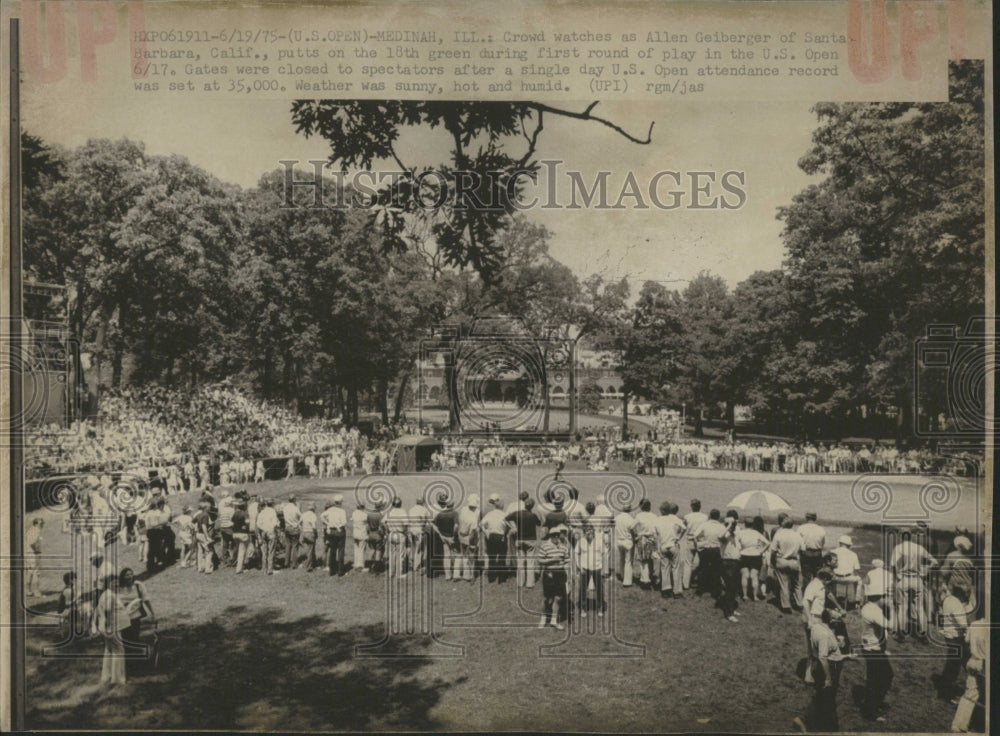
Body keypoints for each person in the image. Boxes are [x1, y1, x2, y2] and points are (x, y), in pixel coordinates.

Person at [891, 527, 937, 641]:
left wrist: (896, 577)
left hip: (904, 579)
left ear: (901, 536)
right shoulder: (919, 548)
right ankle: (924, 633)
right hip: (917, 579)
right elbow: (934, 561)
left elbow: (893, 565)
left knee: (903, 606)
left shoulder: (899, 548)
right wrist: (924, 571)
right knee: (920, 607)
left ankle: (901, 633)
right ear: (910, 536)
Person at [858, 579, 893, 722]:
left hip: (872, 647)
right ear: (880, 597)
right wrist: (895, 609)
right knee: (879, 678)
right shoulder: (874, 611)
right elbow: (892, 626)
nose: (888, 599)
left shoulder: (869, 607)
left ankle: (874, 704)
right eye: (886, 596)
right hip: (873, 649)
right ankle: (870, 711)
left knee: (883, 676)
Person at [951, 615, 987, 732]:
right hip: (984, 664)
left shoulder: (975, 624)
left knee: (969, 694)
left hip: (972, 660)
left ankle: (958, 724)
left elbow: (966, 640)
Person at [935, 583, 970, 701]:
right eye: (966, 592)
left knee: (956, 663)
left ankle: (946, 689)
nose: (968, 594)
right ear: (960, 593)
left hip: (951, 636)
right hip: (955, 637)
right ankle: (946, 693)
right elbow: (962, 624)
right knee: (953, 665)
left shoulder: (948, 600)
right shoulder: (955, 604)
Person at [116, 568, 153, 674]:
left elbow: (146, 599)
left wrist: (152, 613)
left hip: (135, 617)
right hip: (122, 618)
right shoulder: (118, 588)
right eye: (127, 575)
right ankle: (128, 666)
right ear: (122, 577)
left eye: (131, 574)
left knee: (135, 640)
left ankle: (137, 666)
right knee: (125, 641)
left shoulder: (138, 585)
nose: (129, 576)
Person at [94, 573, 128, 686]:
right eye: (113, 582)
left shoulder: (107, 594)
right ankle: (118, 679)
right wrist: (109, 626)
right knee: (118, 651)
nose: (116, 583)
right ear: (108, 583)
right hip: (112, 627)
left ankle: (107, 676)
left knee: (109, 650)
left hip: (107, 626)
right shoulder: (110, 595)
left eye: (117, 581)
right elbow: (108, 611)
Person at [537, 524, 570, 629]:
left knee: (558, 598)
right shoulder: (545, 546)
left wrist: (567, 572)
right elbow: (540, 560)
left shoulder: (563, 547)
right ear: (550, 536)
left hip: (560, 573)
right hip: (549, 573)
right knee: (547, 598)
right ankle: (543, 619)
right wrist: (551, 560)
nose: (556, 537)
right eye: (553, 535)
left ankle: (553, 620)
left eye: (557, 535)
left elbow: (567, 560)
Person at [654, 501, 685, 599]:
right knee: (676, 568)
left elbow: (655, 533)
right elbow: (684, 527)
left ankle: (665, 590)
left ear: (661, 511)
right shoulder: (674, 519)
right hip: (673, 544)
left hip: (663, 546)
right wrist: (678, 537)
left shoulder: (658, 520)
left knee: (664, 568)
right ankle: (677, 591)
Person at [693, 509, 726, 601]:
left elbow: (695, 536)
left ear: (710, 515)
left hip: (706, 549)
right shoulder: (721, 527)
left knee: (703, 569)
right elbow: (724, 538)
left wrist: (699, 545)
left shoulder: (704, 525)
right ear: (718, 517)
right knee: (716, 571)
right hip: (716, 549)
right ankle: (715, 592)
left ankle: (700, 590)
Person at [772, 516, 804, 612]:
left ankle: (786, 606)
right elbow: (802, 549)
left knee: (784, 584)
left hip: (782, 560)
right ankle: (799, 604)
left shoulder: (778, 535)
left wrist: (772, 561)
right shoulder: (797, 535)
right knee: (797, 584)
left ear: (782, 524)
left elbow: (773, 550)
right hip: (794, 560)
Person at [576, 522, 608, 618]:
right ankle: (583, 608)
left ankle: (600, 608)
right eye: (586, 531)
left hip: (597, 568)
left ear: (593, 531)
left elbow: (604, 555)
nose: (588, 532)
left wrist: (603, 569)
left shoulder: (599, 541)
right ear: (584, 532)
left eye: (590, 530)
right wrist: (579, 567)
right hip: (585, 569)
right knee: (582, 589)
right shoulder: (581, 541)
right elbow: (576, 553)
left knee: (599, 589)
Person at [507, 497, 540, 588]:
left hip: (519, 539)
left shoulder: (517, 514)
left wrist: (513, 527)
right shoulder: (533, 515)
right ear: (532, 506)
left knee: (520, 561)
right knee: (530, 562)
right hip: (531, 540)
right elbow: (539, 523)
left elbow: (506, 518)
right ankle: (530, 583)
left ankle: (520, 582)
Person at [737, 515, 769, 601]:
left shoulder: (740, 533)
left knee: (745, 575)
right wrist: (761, 551)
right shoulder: (756, 533)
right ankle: (755, 596)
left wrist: (740, 550)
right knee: (754, 576)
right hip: (755, 555)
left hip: (744, 555)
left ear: (745, 524)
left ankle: (744, 595)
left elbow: (737, 543)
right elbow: (767, 543)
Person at [719, 510, 742, 621]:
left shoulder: (737, 531)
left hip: (736, 561)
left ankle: (732, 608)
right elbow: (720, 536)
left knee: (735, 588)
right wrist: (728, 526)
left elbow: (739, 543)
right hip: (727, 562)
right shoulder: (724, 531)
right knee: (729, 587)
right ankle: (728, 613)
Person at [481, 494, 510, 583]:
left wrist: (486, 532)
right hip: (501, 536)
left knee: (491, 557)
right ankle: (501, 578)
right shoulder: (505, 515)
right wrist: (506, 532)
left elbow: (481, 524)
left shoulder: (489, 514)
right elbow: (510, 526)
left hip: (491, 536)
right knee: (502, 557)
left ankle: (491, 577)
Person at [680, 498, 707, 591]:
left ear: (691, 506)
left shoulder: (687, 516)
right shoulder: (705, 517)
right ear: (700, 506)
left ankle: (686, 584)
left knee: (688, 563)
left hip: (690, 540)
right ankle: (702, 583)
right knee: (703, 563)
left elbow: (682, 528)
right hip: (701, 540)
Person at [633, 499, 659, 588]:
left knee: (643, 560)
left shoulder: (639, 516)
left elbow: (632, 527)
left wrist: (636, 535)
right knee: (650, 559)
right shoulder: (654, 516)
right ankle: (651, 576)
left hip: (642, 539)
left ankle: (645, 580)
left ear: (641, 506)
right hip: (652, 539)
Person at [433, 496, 459, 580]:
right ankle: (455, 574)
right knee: (455, 555)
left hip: (443, 537)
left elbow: (433, 524)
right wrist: (454, 536)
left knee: (446, 556)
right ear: (452, 505)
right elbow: (456, 526)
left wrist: (439, 534)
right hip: (451, 536)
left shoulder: (440, 514)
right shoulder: (454, 513)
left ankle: (448, 575)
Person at [321, 495, 348, 576]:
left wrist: (328, 523)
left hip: (332, 531)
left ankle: (332, 570)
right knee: (341, 550)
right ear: (340, 502)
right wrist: (338, 526)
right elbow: (344, 522)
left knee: (332, 550)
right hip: (340, 531)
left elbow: (322, 516)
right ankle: (340, 570)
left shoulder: (330, 510)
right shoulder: (342, 511)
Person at [831, 535, 862, 606]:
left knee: (829, 580)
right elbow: (857, 569)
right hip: (848, 578)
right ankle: (856, 601)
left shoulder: (833, 551)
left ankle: (831, 600)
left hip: (835, 577)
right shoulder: (853, 554)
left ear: (840, 543)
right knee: (859, 581)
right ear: (849, 545)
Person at [798, 512, 826, 587]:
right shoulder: (821, 529)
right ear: (815, 518)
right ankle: (816, 594)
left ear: (806, 518)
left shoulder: (801, 528)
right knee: (817, 576)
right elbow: (822, 543)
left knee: (806, 576)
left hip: (805, 553)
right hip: (817, 553)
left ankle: (806, 594)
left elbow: (798, 542)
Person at [456, 495, 480, 582]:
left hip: (461, 535)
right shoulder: (474, 517)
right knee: (471, 557)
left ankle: (463, 574)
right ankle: (470, 575)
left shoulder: (463, 510)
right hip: (470, 537)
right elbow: (473, 532)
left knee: (464, 555)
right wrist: (471, 542)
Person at [384, 497, 410, 578]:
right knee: (400, 554)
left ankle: (391, 572)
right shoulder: (402, 512)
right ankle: (399, 573)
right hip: (400, 534)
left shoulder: (390, 512)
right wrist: (405, 532)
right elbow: (406, 524)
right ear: (400, 504)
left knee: (392, 554)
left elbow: (383, 522)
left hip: (391, 534)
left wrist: (387, 530)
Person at [614, 502, 637, 587]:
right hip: (627, 541)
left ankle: (622, 575)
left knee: (621, 559)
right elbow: (632, 530)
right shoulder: (630, 519)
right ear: (630, 509)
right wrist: (635, 539)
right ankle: (627, 581)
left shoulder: (617, 518)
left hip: (619, 541)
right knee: (628, 561)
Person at [408, 497, 433, 576]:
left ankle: (413, 562)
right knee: (420, 549)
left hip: (412, 529)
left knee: (414, 547)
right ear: (422, 502)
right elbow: (428, 520)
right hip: (419, 530)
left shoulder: (411, 509)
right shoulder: (424, 510)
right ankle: (417, 566)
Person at [255, 499, 279, 575]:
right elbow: (275, 523)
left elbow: (258, 524)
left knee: (264, 552)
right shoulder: (272, 511)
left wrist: (263, 529)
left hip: (263, 532)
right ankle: (270, 569)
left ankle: (264, 569)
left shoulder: (260, 513)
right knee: (271, 551)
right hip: (271, 531)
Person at [281, 496, 302, 570]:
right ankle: (294, 563)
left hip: (287, 528)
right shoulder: (295, 508)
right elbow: (301, 517)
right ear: (294, 500)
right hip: (294, 528)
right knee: (295, 546)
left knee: (288, 545)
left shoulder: (285, 508)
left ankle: (286, 562)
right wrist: (297, 523)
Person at [231, 500, 252, 573]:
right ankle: (240, 568)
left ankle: (239, 565)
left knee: (239, 550)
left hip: (235, 534)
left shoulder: (235, 513)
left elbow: (232, 523)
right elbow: (247, 524)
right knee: (242, 551)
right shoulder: (245, 514)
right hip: (243, 534)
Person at [25, 518, 44, 598]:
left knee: (29, 572)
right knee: (36, 573)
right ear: (36, 524)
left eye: (43, 523)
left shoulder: (30, 530)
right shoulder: (36, 531)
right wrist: (36, 551)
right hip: (33, 554)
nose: (42, 525)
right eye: (41, 523)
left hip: (27, 554)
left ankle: (27, 591)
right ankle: (37, 593)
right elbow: (32, 543)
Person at [366, 502, 386, 573]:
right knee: (378, 551)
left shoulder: (369, 514)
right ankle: (377, 568)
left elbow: (367, 525)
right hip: (377, 534)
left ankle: (369, 567)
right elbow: (382, 526)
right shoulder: (380, 515)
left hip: (370, 534)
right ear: (380, 507)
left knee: (371, 550)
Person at [298, 502, 318, 572]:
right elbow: (314, 526)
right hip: (310, 532)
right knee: (311, 550)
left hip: (304, 533)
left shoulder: (303, 514)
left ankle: (312, 562)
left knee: (308, 549)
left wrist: (302, 530)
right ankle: (308, 566)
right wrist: (315, 533)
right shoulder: (313, 515)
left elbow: (299, 523)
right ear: (313, 508)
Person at [351, 502, 368, 572]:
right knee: (361, 550)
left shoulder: (354, 513)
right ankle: (360, 566)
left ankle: (356, 563)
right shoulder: (364, 515)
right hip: (362, 533)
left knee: (356, 548)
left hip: (355, 532)